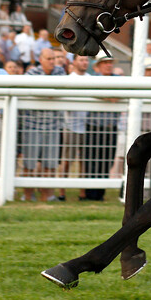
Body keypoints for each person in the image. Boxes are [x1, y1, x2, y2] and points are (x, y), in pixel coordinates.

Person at [23, 48, 66, 202]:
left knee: (51, 163)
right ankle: (27, 195)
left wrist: (45, 91)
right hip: (32, 125)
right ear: (40, 59)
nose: (52, 61)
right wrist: (49, 92)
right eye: (48, 58)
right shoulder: (31, 73)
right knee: (29, 163)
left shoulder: (60, 71)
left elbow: (60, 91)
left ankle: (46, 196)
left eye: (53, 58)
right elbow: (32, 92)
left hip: (53, 125)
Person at [84, 51, 119, 201]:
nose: (108, 65)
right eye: (105, 63)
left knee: (107, 160)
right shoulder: (93, 80)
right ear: (98, 66)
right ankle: (91, 194)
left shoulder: (119, 79)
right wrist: (109, 96)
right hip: (93, 126)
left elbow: (119, 95)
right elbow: (91, 92)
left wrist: (107, 95)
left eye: (110, 63)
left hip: (110, 127)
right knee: (92, 160)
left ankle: (100, 194)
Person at [60, 54, 90, 201]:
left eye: (86, 60)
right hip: (70, 126)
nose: (84, 62)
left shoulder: (92, 78)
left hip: (86, 126)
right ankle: (61, 192)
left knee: (83, 161)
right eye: (81, 60)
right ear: (74, 62)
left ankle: (82, 193)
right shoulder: (69, 79)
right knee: (67, 160)